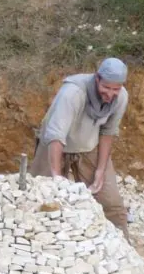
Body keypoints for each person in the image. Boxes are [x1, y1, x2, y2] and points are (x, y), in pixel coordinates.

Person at [29, 57, 129, 230]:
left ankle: (124, 251)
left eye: (115, 89)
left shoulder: (121, 97)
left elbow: (107, 133)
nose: (110, 94)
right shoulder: (73, 93)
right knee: (40, 199)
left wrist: (100, 170)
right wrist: (56, 177)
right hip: (53, 146)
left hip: (88, 146)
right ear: (97, 78)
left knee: (111, 204)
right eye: (106, 87)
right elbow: (56, 135)